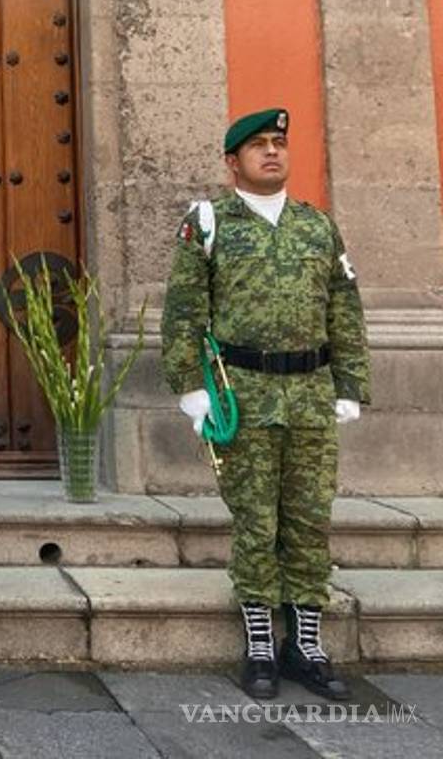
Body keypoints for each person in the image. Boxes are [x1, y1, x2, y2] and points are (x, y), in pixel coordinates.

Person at [161, 108, 370, 701]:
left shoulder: (317, 227)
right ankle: (258, 645)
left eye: (280, 143)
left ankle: (304, 645)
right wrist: (189, 386)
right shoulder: (208, 224)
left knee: (308, 520)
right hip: (242, 392)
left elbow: (345, 309)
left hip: (309, 393)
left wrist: (350, 383)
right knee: (256, 521)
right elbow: (183, 310)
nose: (272, 153)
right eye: (258, 146)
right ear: (233, 162)